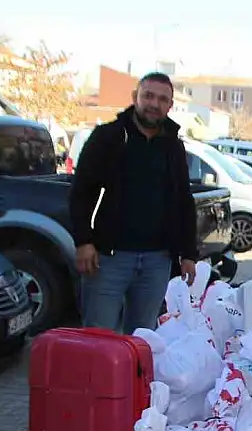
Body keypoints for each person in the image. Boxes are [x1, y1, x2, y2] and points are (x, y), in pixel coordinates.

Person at [69, 73, 198, 334]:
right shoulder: (108, 137)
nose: (154, 104)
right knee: (99, 337)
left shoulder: (173, 147)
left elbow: (183, 200)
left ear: (170, 106)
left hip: (157, 261)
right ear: (135, 97)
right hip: (109, 259)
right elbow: (82, 191)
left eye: (162, 99)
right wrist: (83, 241)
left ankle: (131, 378)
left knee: (142, 339)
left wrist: (188, 254)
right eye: (148, 95)